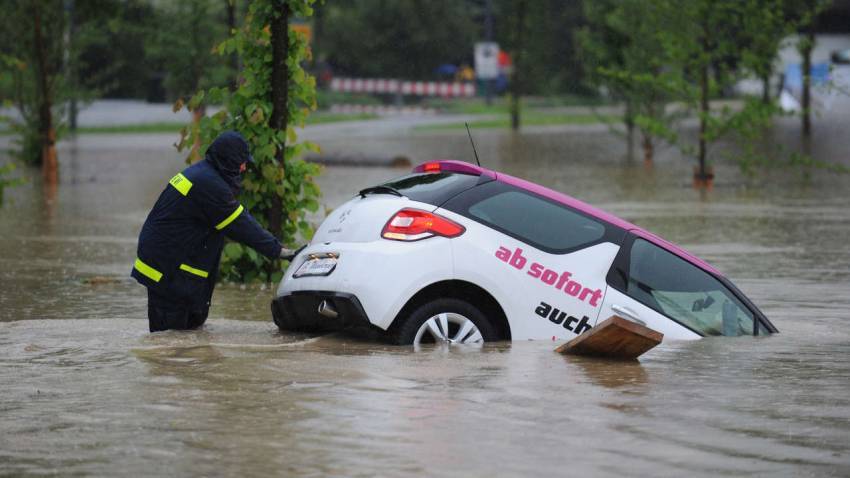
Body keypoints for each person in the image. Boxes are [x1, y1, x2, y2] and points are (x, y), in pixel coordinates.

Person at [131, 131, 294, 332]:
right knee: (170, 344)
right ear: (228, 160)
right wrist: (281, 252)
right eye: (241, 162)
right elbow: (243, 226)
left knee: (180, 342)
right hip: (169, 272)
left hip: (167, 264)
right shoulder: (209, 185)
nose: (244, 167)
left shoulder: (201, 174)